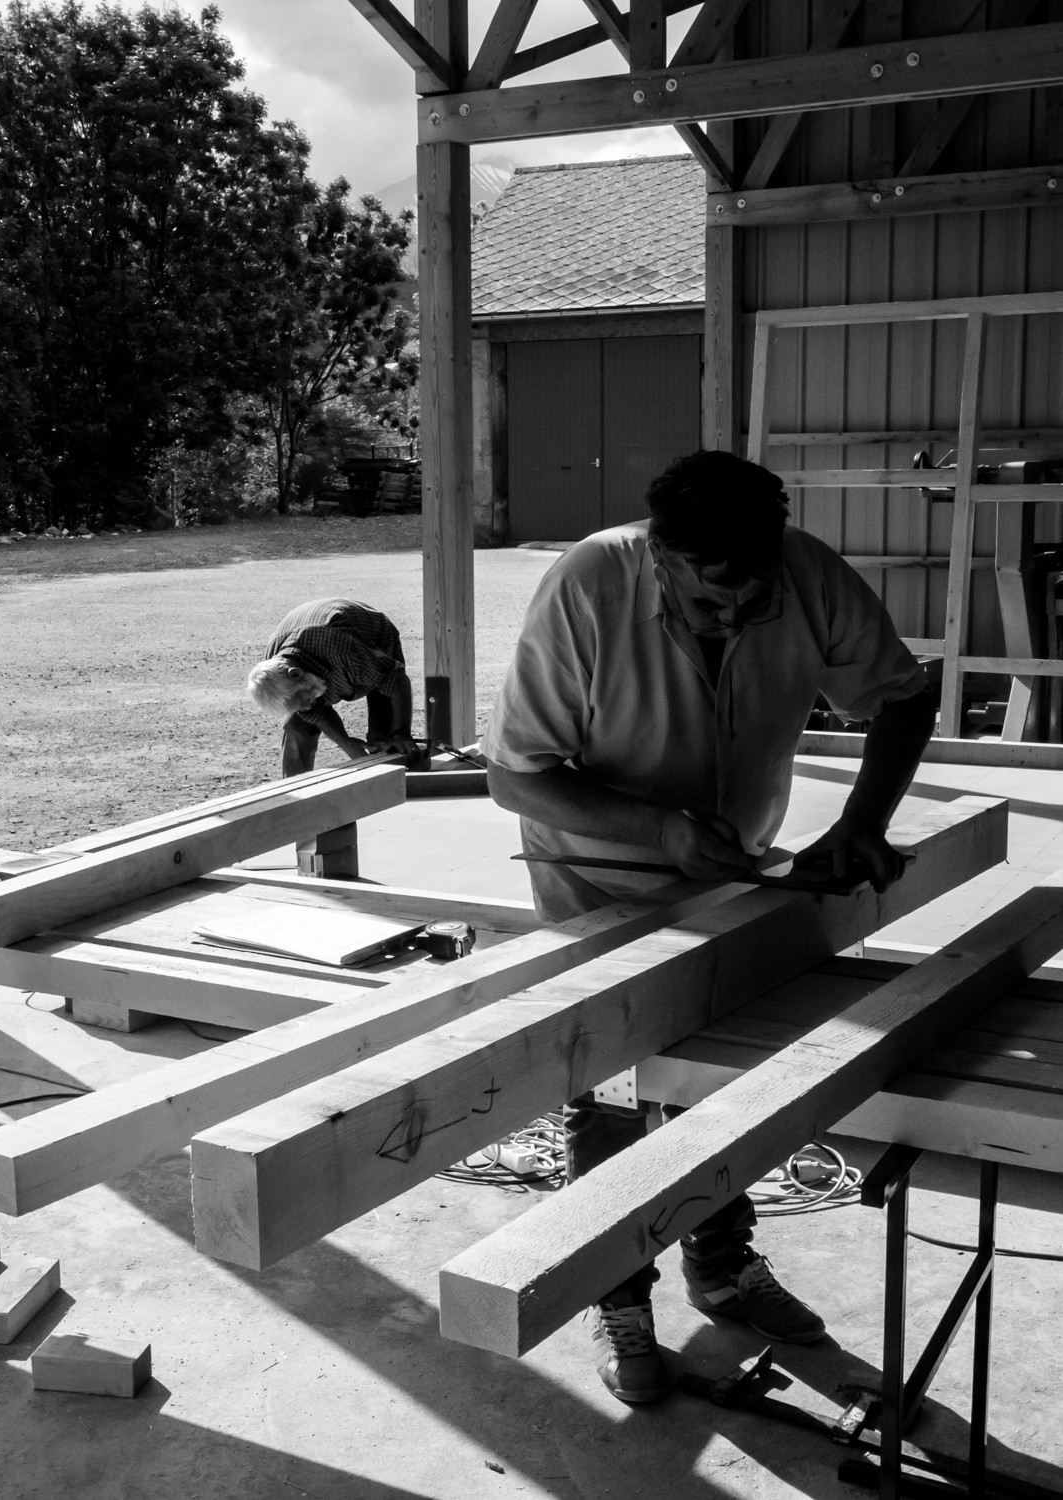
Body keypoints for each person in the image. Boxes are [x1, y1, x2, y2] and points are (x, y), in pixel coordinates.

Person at [481, 450, 936, 1406]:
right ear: (662, 558)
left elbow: (903, 692)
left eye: (751, 598)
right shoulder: (587, 587)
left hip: (734, 870)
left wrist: (863, 823)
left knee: (722, 1079)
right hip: (597, 874)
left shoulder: (805, 572)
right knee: (610, 1086)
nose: (734, 616)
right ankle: (622, 1301)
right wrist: (657, 829)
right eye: (709, 600)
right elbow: (515, 772)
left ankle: (722, 1270)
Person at [247, 599, 418, 776]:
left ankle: (395, 783)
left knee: (385, 738)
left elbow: (396, 679)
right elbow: (314, 713)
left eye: (304, 700)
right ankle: (297, 787)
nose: (306, 707)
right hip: (317, 654)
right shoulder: (273, 672)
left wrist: (401, 733)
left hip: (371, 638)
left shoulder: (343, 651)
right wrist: (347, 744)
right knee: (297, 727)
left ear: (296, 674)